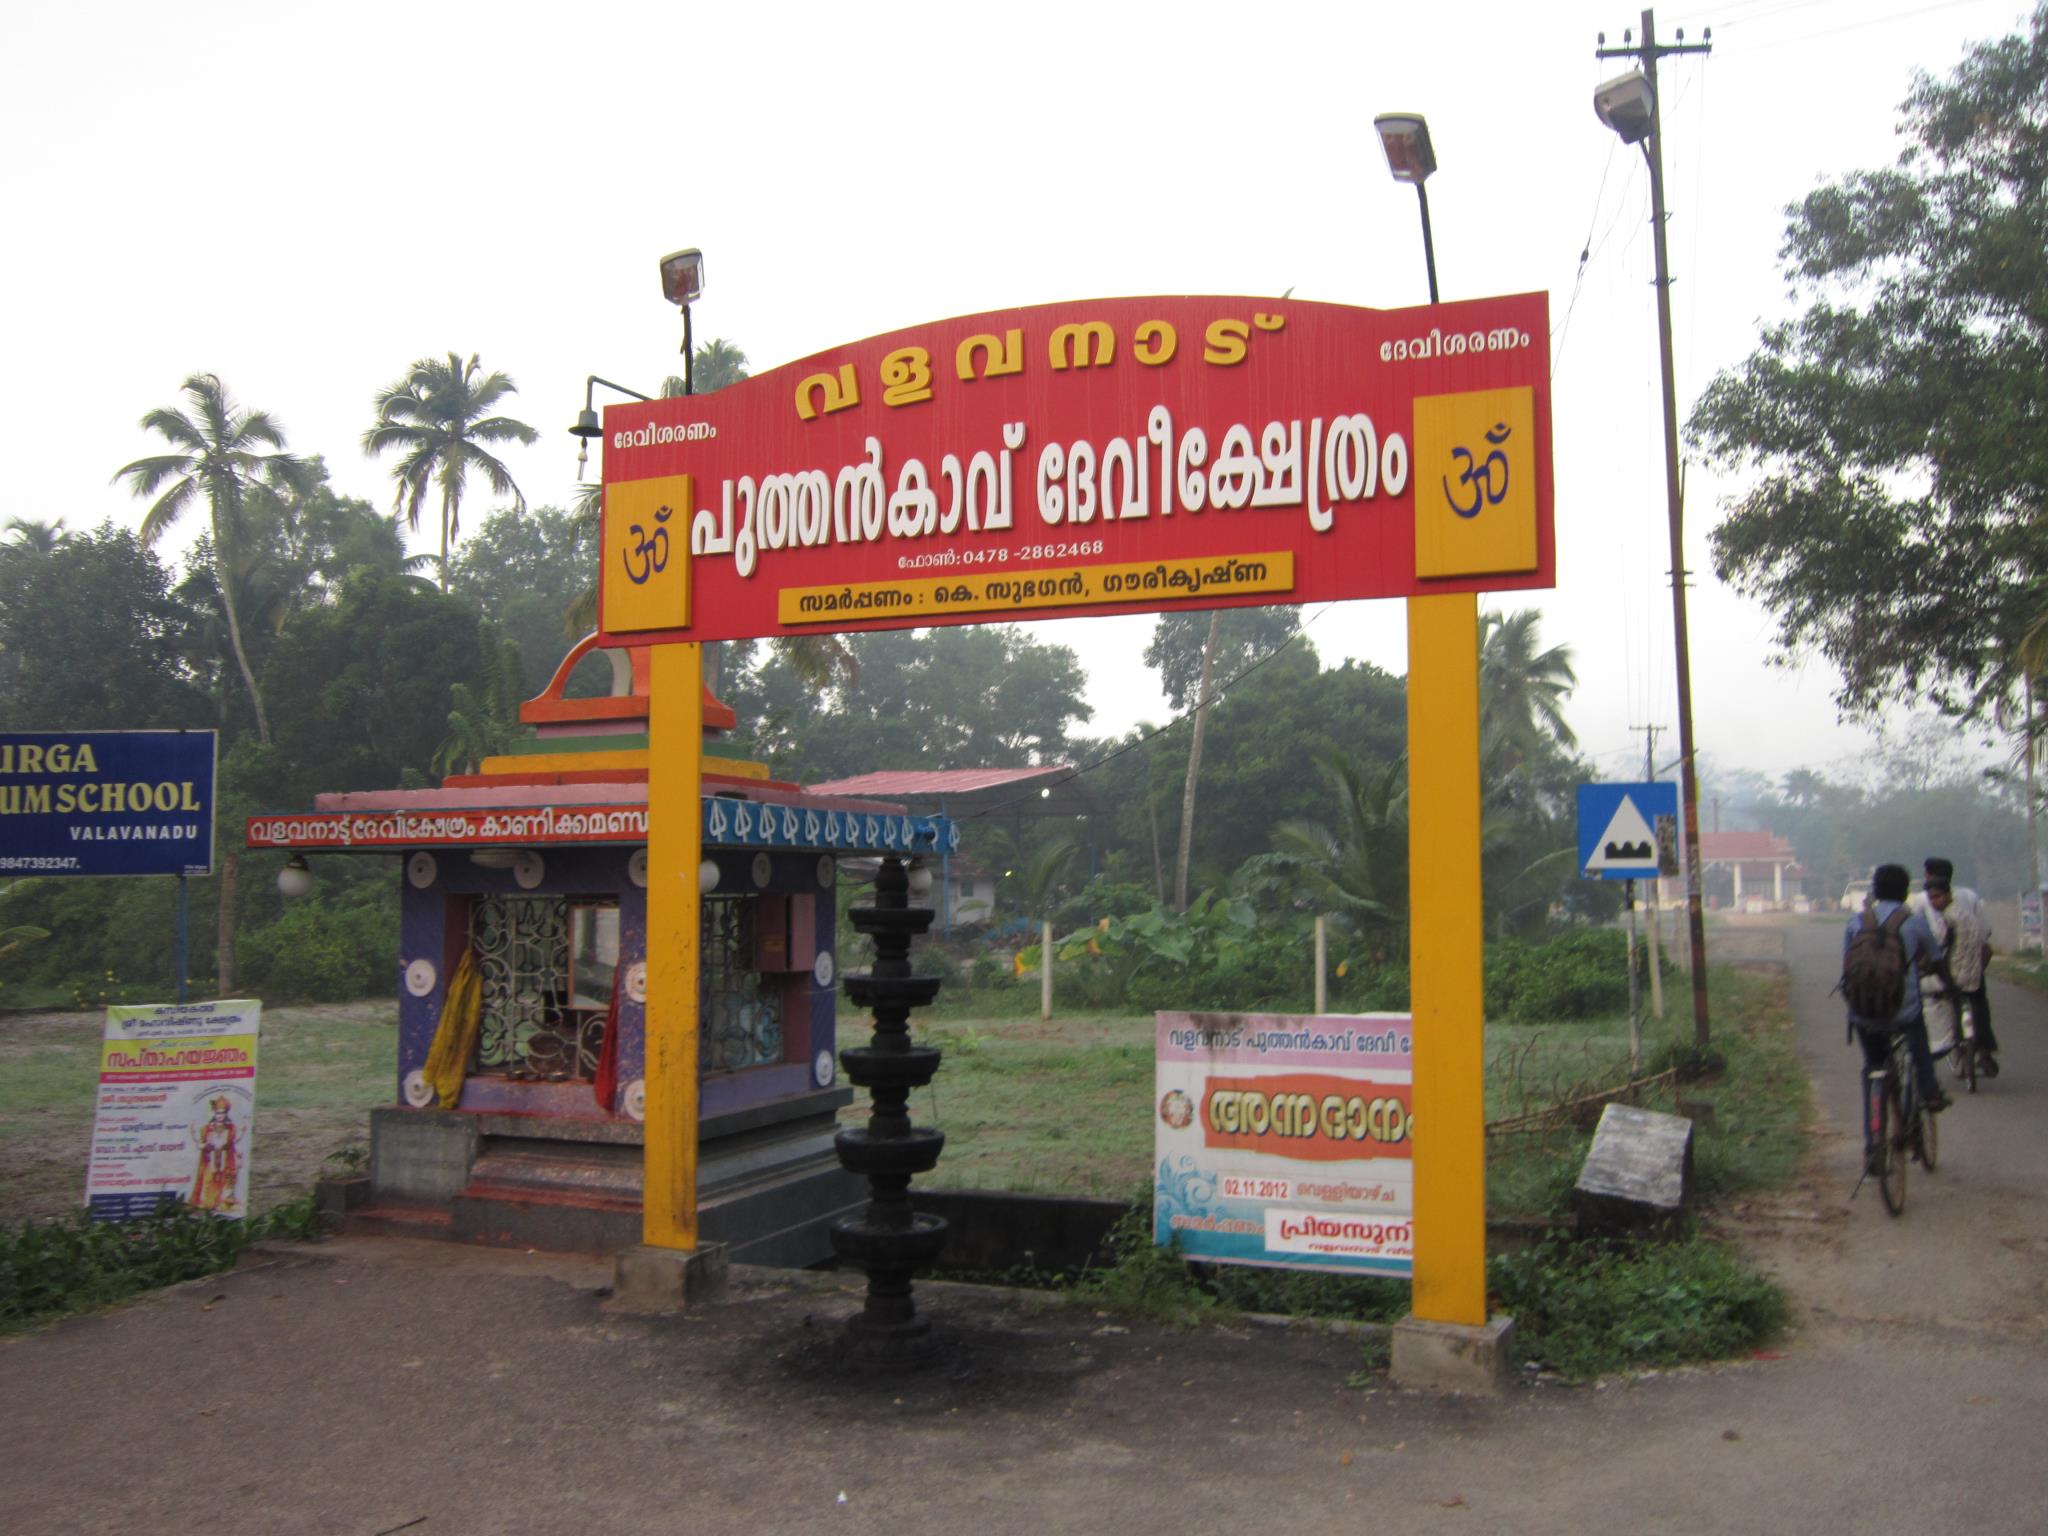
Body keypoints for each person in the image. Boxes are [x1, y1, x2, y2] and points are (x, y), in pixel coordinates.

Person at [1846, 863, 1950, 1119]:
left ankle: (1873, 1146)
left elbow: (1846, 971)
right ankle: (1929, 1091)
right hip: (1904, 1011)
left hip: (1863, 1013)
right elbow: (1937, 962)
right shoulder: (1914, 923)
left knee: (1873, 1068)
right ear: (1905, 893)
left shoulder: (1856, 922)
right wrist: (1952, 987)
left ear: (1875, 891)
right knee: (1919, 1046)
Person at [1919, 857, 2000, 1076]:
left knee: (1935, 997)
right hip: (1973, 962)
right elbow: (1985, 931)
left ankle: (1938, 1044)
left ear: (1929, 876)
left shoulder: (1923, 899)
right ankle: (1984, 1048)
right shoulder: (1970, 896)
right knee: (1978, 1001)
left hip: (1945, 963)